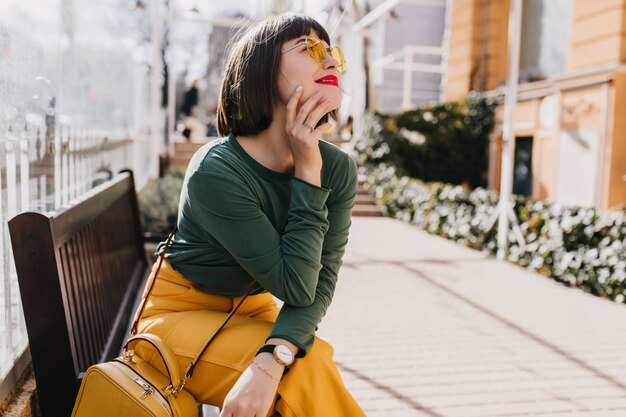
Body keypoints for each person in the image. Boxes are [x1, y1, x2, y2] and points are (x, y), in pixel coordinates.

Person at [133, 12, 365, 417]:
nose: (331, 62)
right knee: (306, 369)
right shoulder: (217, 170)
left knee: (300, 361)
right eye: (309, 49)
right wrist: (309, 173)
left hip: (248, 307)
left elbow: (318, 284)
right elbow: (294, 285)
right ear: (261, 69)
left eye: (333, 54)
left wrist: (272, 357)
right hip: (176, 314)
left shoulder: (339, 169)